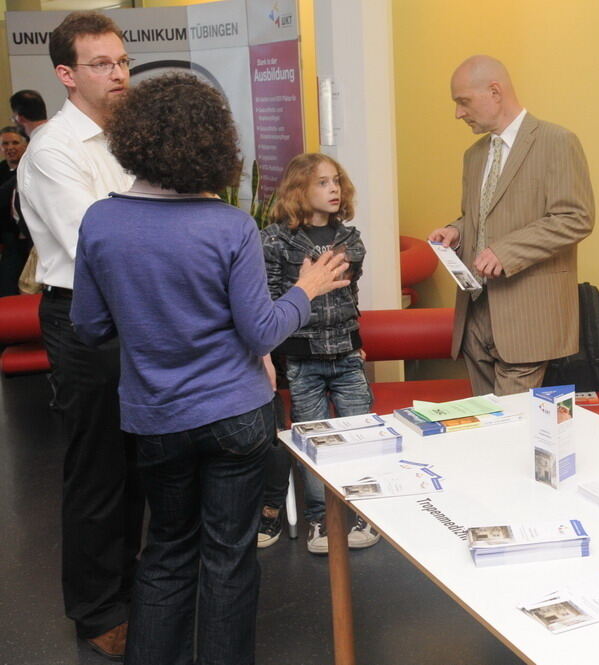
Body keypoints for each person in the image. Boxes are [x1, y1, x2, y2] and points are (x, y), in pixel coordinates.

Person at [71, 73, 350, 665]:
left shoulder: (100, 221)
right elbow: (262, 332)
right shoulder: (229, 226)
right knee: (228, 557)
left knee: (167, 550)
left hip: (155, 418)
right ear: (214, 145)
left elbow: (91, 328)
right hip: (235, 418)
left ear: (134, 140)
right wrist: (306, 288)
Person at [16, 12, 141, 659]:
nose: (118, 72)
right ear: (66, 75)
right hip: (86, 318)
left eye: (121, 60)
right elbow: (99, 247)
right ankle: (98, 612)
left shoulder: (132, 136)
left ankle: (138, 591)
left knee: (147, 461)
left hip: (144, 315)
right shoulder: (52, 152)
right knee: (99, 471)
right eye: (101, 63)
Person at [428, 55, 595, 396]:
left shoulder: (557, 142)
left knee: (511, 426)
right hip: (475, 313)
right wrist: (457, 230)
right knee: (489, 425)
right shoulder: (473, 155)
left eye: (463, 102)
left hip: (527, 314)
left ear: (494, 91)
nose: (458, 113)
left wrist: (507, 251)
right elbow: (482, 216)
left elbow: (576, 217)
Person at [259, 153, 379, 553]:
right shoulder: (275, 240)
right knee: (314, 441)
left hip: (345, 354)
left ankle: (365, 512)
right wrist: (276, 355)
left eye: (336, 182)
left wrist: (357, 345)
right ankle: (320, 521)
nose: (333, 190)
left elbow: (350, 297)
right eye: (322, 183)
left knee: (358, 436)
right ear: (299, 190)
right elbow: (272, 299)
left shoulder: (350, 239)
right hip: (303, 357)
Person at [0, 126, 29, 295]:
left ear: (25, 145)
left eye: (15, 142)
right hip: (9, 240)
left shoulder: (33, 168)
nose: (10, 147)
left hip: (32, 240)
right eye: (5, 143)